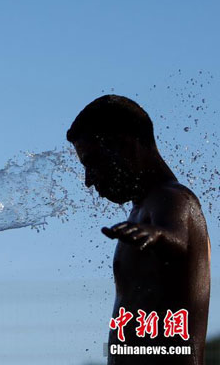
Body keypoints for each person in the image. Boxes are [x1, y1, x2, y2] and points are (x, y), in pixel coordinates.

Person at [67, 95, 210, 365]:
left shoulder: (172, 198)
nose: (88, 181)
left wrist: (157, 236)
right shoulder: (143, 208)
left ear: (124, 146)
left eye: (92, 163)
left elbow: (178, 238)